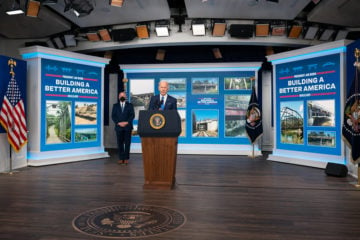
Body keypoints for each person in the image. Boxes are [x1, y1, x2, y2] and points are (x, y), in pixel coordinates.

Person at [112, 91, 135, 165]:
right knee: (120, 143)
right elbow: (113, 116)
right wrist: (118, 123)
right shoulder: (115, 106)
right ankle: (121, 158)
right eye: (121, 96)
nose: (122, 97)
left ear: (126, 97)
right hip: (119, 127)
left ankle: (126, 158)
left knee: (127, 143)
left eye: (123, 96)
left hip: (127, 127)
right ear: (119, 97)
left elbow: (132, 115)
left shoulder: (130, 105)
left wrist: (126, 122)